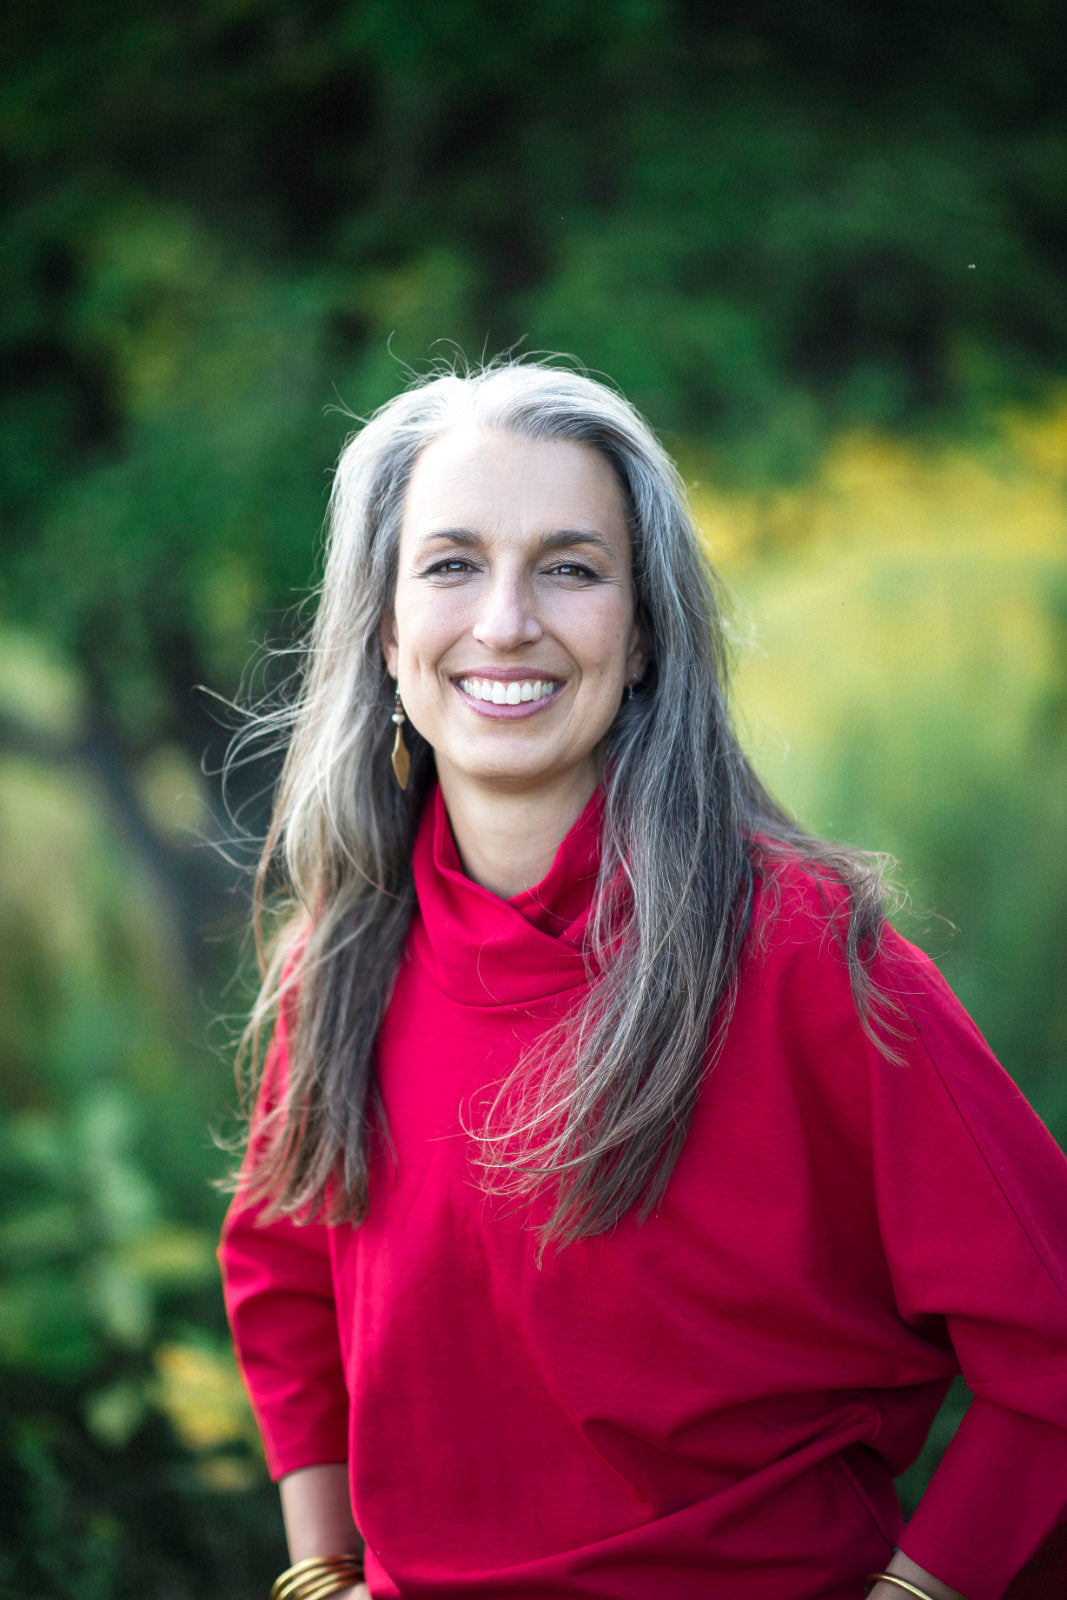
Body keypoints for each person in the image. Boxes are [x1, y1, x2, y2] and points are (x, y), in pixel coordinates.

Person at [219, 359, 1067, 1600]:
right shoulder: (339, 963)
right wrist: (320, 1575)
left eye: (569, 566)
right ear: (386, 632)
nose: (506, 621)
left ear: (646, 629)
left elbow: (1046, 1335)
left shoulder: (800, 953)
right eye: (450, 564)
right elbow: (284, 1278)